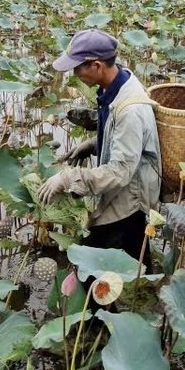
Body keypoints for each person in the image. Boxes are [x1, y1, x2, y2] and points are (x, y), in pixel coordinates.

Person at [38, 29, 161, 267]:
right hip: (126, 191)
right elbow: (126, 139)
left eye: (78, 68)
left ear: (96, 66)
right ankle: (141, 291)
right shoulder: (115, 84)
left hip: (130, 200)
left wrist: (68, 178)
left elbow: (120, 172)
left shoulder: (130, 110)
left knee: (92, 266)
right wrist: (94, 144)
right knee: (133, 265)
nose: (75, 75)